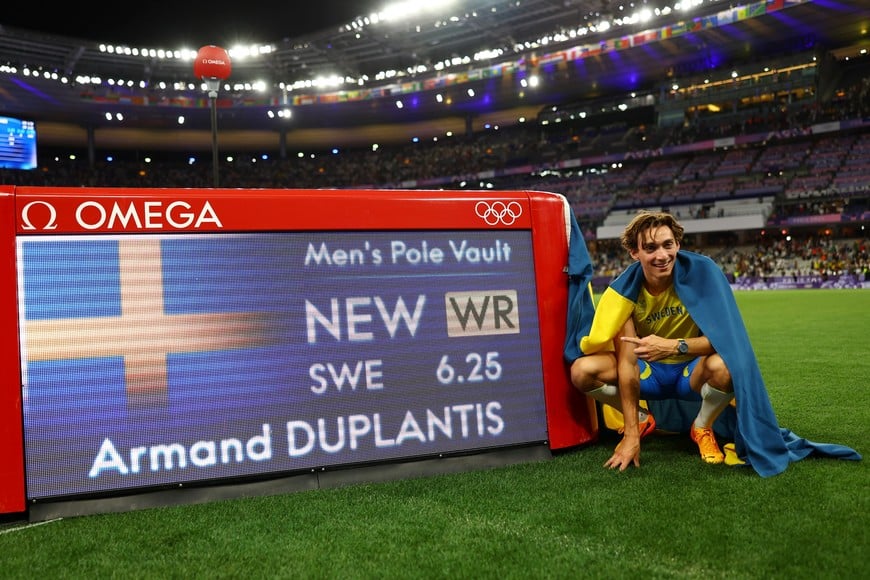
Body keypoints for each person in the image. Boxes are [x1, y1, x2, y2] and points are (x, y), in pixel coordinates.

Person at [563, 209, 861, 476]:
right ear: (633, 252)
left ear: (678, 245)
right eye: (650, 248)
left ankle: (701, 426)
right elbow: (627, 364)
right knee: (582, 370)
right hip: (647, 373)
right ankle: (641, 419)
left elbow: (727, 343)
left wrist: (673, 346)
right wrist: (630, 434)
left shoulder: (702, 276)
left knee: (728, 367)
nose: (662, 255)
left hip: (690, 371)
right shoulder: (623, 294)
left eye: (668, 245)